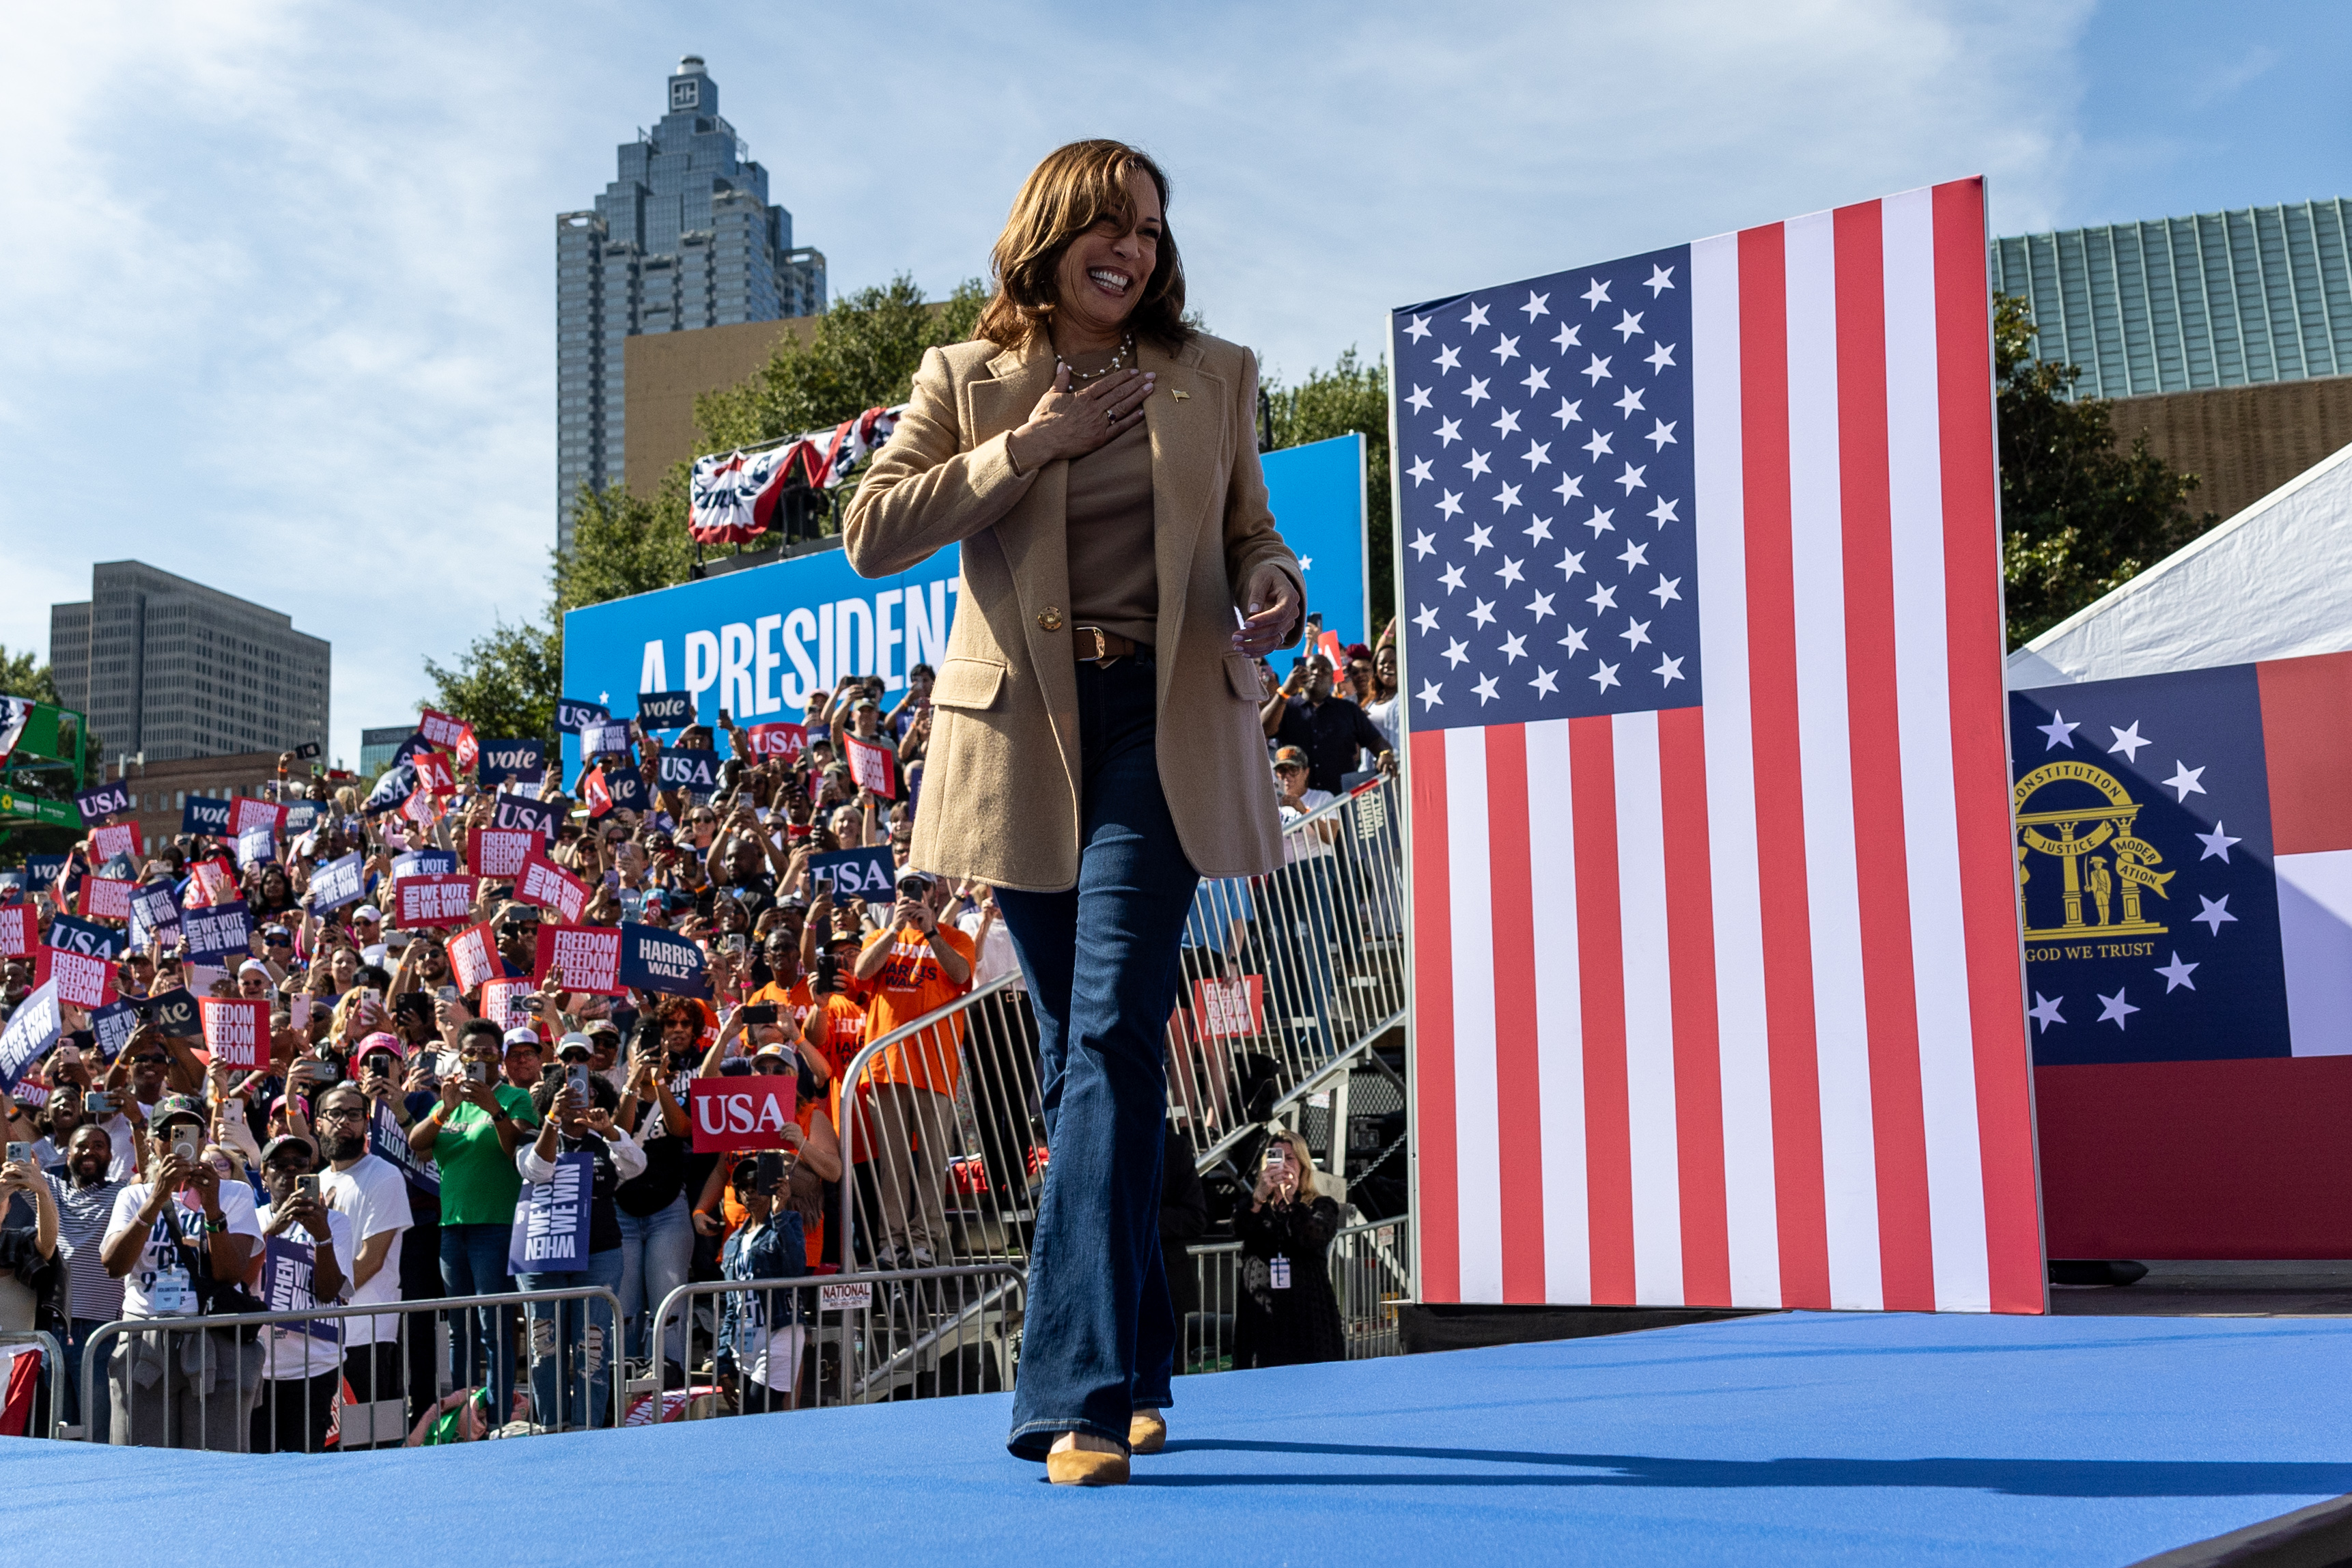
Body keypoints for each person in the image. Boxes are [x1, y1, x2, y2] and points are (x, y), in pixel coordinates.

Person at [846, 139, 1304, 1484]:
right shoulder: (965, 377)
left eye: (1153, 229)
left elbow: (1249, 534)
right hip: (1021, 745)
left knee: (1107, 1031)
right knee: (1084, 1056)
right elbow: (872, 530)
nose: (1135, 248)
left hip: (1159, 737)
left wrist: (1271, 584)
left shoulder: (1214, 376)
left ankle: (1075, 1393)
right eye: (1110, 224)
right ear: (1049, 234)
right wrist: (1025, 444)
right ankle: (1147, 1354)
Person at [98, 1095, 265, 1449]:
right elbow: (114, 1265)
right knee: (139, 1459)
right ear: (151, 1142)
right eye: (167, 1133)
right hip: (146, 1339)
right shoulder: (133, 1197)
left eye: (188, 1132)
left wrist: (213, 1209)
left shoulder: (233, 1193)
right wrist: (155, 1201)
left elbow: (231, 1273)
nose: (179, 1142)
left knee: (216, 1459)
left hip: (211, 1340)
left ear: (204, 1138)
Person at [405, 1018, 533, 1422]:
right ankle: (462, 1415)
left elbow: (518, 1150)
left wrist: (494, 1109)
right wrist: (444, 1107)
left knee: (493, 1327)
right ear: (460, 1057)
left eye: (488, 1052)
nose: (480, 1058)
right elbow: (418, 1146)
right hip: (451, 1229)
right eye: (471, 1052)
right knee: (459, 1329)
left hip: (495, 1227)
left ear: (501, 1057)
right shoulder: (451, 1102)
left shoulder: (516, 1099)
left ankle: (496, 1413)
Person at [854, 872, 975, 1270]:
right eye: (906, 888)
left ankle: (924, 1240)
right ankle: (891, 1242)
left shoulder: (956, 938)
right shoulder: (880, 938)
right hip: (885, 1068)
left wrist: (931, 933)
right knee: (893, 1164)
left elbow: (960, 976)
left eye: (920, 889)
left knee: (932, 1160)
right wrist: (893, 929)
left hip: (934, 1066)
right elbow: (862, 972)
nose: (913, 895)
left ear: (932, 896)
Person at [514, 1071, 642, 1430]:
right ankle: (554, 1427)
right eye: (567, 1096)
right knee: (545, 1349)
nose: (578, 1102)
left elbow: (636, 1166)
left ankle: (588, 1428)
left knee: (593, 1348)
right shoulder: (530, 1137)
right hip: (543, 1256)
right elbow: (536, 1170)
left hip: (599, 1254)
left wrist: (611, 1132)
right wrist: (552, 1123)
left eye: (586, 1095)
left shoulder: (606, 1142)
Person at [313, 1082, 412, 1450]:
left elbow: (372, 1259)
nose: (345, 1122)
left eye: (355, 1114)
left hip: (369, 1334)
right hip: (323, 1339)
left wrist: (323, 1300)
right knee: (328, 1445)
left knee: (373, 1443)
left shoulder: (384, 1176)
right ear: (318, 1123)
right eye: (335, 1113)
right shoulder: (318, 1182)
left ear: (367, 1124)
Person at [247, 1134, 349, 1453]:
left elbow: (329, 1291)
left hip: (314, 1368)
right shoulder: (251, 1221)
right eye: (279, 1164)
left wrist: (322, 1238)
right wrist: (272, 1231)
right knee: (258, 1465)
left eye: (300, 1164)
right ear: (263, 1175)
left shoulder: (336, 1223)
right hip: (259, 1369)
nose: (290, 1171)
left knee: (307, 1466)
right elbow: (239, 1280)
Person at [1231, 1128, 1345, 1369]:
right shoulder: (1254, 1205)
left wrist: (1292, 1200)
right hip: (1261, 1308)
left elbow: (1314, 1236)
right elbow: (1240, 1228)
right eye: (1276, 1158)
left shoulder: (1321, 1205)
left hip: (1307, 1310)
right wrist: (1260, 1197)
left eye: (1290, 1159)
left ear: (1303, 1165)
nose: (1282, 1165)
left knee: (1313, 1375)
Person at [44, 1124, 126, 1441]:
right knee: (59, 1429)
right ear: (68, 1155)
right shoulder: (50, 1190)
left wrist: (135, 1121)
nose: (89, 1151)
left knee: (98, 1430)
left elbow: (150, 1180)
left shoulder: (122, 1194)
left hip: (100, 1330)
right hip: (56, 1327)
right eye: (81, 1146)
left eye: (98, 1145)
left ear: (110, 1155)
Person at [715, 1145, 809, 1414]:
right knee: (748, 1415)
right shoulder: (733, 1242)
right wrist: (723, 1362)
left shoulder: (788, 1221)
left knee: (758, 1409)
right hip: (744, 1336)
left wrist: (779, 1215)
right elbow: (732, 1305)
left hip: (779, 1330)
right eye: (743, 1186)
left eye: (756, 1184)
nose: (750, 1191)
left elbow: (795, 1269)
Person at [1260, 653, 1395, 795]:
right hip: (1298, 804)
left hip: (1340, 804)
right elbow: (1264, 730)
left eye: (1324, 670)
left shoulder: (1348, 710)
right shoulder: (1286, 707)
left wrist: (1385, 753)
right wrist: (1284, 693)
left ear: (1332, 680)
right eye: (1312, 668)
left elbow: (1376, 741)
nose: (1317, 672)